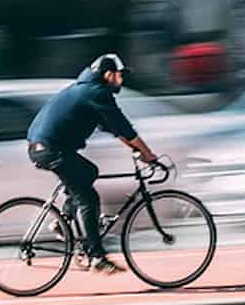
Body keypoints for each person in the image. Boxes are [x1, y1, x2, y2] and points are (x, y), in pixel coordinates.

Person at [27, 54, 159, 275]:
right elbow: (123, 127)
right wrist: (147, 153)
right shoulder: (97, 92)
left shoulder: (86, 90)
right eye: (120, 75)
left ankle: (64, 221)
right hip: (50, 150)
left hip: (46, 147)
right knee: (89, 198)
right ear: (108, 75)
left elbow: (114, 128)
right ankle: (97, 256)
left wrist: (135, 147)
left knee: (89, 172)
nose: (121, 80)